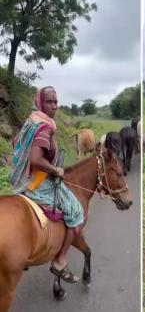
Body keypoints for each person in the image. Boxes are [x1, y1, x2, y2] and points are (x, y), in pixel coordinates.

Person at [9, 86, 84, 283]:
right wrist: (55, 170)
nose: (54, 106)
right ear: (41, 102)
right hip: (38, 183)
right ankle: (60, 260)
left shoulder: (31, 121)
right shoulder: (45, 127)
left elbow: (16, 143)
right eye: (49, 102)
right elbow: (35, 159)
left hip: (22, 179)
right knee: (76, 213)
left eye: (56, 102)